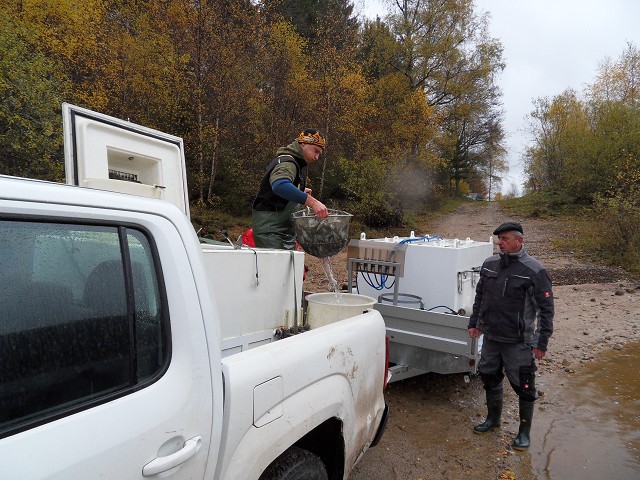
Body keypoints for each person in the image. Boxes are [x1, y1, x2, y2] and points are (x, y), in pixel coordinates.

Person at [468, 222, 554, 451]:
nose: (500, 242)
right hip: (491, 337)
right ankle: (493, 419)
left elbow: (546, 310)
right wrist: (474, 323)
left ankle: (524, 433)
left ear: (519, 240)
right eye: (499, 239)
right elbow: (480, 297)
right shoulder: (490, 264)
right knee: (488, 376)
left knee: (524, 385)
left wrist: (541, 342)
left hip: (518, 341)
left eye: (505, 238)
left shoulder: (535, 270)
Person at [251, 129, 329, 249]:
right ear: (304, 144)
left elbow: (277, 189)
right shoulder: (287, 163)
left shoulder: (293, 163)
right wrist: (313, 202)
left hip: (283, 233)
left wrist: (298, 190)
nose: (317, 157)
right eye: (316, 151)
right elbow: (279, 185)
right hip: (271, 233)